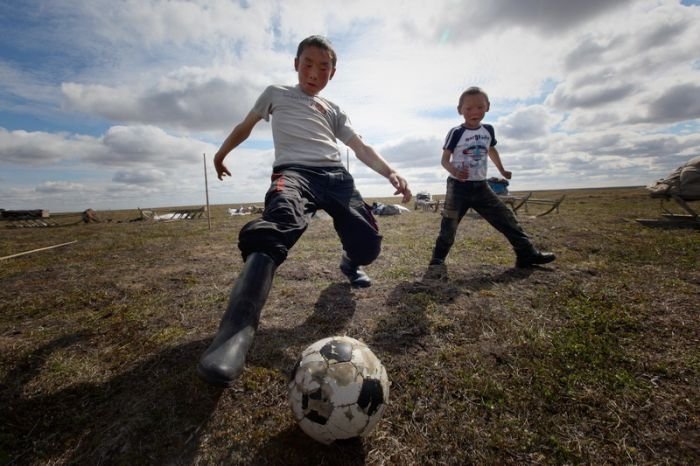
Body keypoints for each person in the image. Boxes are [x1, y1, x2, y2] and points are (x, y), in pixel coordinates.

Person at [198, 35, 412, 387]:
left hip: (337, 178)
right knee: (274, 227)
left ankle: (350, 262)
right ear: (295, 64)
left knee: (369, 245)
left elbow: (361, 147)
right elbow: (244, 126)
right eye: (308, 64)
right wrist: (221, 154)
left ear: (333, 72)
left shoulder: (333, 110)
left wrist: (390, 172)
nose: (314, 73)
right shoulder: (276, 94)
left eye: (323, 67)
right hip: (293, 174)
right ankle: (234, 334)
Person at [429, 86, 555, 269]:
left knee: (507, 219)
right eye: (468, 108)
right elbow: (444, 160)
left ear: (487, 107)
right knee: (449, 225)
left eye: (480, 107)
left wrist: (502, 170)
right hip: (458, 188)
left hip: (481, 187)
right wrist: (455, 171)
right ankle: (437, 262)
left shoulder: (488, 130)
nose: (475, 112)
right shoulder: (456, 132)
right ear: (460, 110)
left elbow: (491, 150)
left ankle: (527, 255)